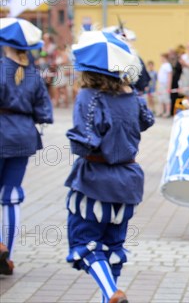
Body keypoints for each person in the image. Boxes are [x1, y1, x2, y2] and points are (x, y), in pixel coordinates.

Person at [65, 30, 154, 303]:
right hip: (128, 180)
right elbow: (147, 120)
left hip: (95, 179)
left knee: (84, 243)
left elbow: (84, 142)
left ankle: (111, 292)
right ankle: (110, 295)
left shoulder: (89, 96)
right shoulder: (133, 95)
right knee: (113, 247)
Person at [0, 18, 53, 276]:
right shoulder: (34, 74)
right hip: (23, 137)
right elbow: (45, 113)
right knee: (11, 196)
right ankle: (6, 253)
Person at [156, 53, 172, 117]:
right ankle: (162, 111)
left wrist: (169, 86)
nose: (161, 59)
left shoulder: (168, 65)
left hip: (165, 84)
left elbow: (169, 76)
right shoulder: (163, 65)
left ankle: (167, 112)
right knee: (161, 98)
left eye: (162, 58)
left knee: (166, 99)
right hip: (161, 84)